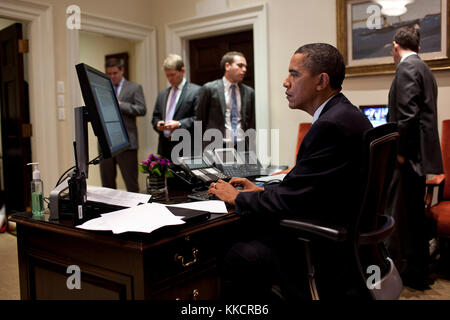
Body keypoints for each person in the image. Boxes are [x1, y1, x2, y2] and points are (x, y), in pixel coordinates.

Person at [208, 43, 372, 300]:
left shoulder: (329, 126)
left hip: (322, 248)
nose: (286, 82)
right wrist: (262, 190)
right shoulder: (346, 114)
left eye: (294, 74)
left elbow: (291, 200)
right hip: (344, 237)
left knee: (235, 250)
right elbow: (313, 188)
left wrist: (237, 197)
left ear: (321, 81)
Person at [387, 26, 443, 290]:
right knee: (415, 216)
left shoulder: (407, 68)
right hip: (421, 156)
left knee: (407, 217)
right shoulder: (424, 68)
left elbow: (407, 118)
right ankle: (419, 272)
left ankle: (414, 274)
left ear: (396, 47)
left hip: (409, 157)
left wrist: (398, 154)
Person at [100, 58, 147, 193]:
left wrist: (121, 105)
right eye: (109, 73)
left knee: (131, 184)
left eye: (115, 73)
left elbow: (141, 109)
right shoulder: (102, 88)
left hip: (127, 143)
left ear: (122, 70)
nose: (112, 76)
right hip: (106, 142)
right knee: (107, 185)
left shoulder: (134, 87)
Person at [196, 51, 255, 149]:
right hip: (216, 146)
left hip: (241, 146)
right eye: (240, 65)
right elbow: (200, 120)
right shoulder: (209, 89)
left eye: (245, 67)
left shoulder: (249, 92)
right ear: (227, 66)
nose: (244, 70)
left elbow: (251, 122)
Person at [151, 54, 201, 160]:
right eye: (167, 75)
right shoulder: (162, 94)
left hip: (186, 148)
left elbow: (199, 119)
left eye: (172, 75)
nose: (170, 79)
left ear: (182, 71)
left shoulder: (196, 91)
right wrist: (158, 124)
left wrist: (179, 124)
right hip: (164, 148)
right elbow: (155, 117)